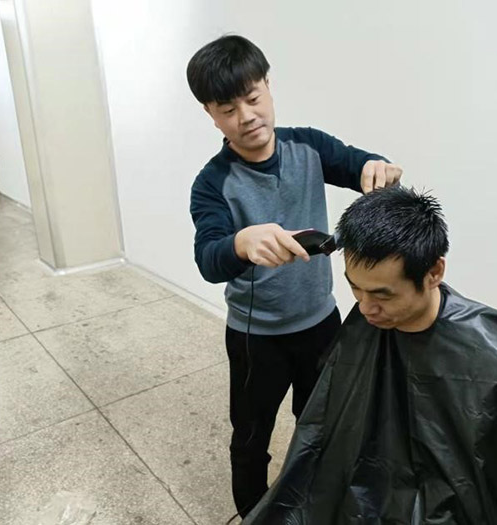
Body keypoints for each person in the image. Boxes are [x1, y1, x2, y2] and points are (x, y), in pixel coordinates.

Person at [244, 186, 497, 524]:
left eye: (383, 295)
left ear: (434, 272)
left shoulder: (496, 356)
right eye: (355, 288)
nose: (365, 307)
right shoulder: (366, 322)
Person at [186, 35, 403, 518]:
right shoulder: (213, 183)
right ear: (210, 114)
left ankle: (315, 506)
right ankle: (254, 513)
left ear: (268, 85)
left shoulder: (308, 146)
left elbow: (362, 165)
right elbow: (208, 258)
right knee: (251, 438)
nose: (246, 116)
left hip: (322, 324)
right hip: (255, 338)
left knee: (321, 427)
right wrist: (241, 243)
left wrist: (378, 169)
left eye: (253, 97)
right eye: (228, 109)